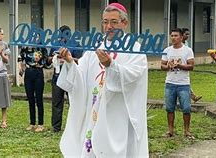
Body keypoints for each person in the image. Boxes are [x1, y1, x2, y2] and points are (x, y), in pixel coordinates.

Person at [57, 3, 148, 157]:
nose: (108, 26)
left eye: (113, 22)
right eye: (105, 22)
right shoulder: (96, 49)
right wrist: (70, 62)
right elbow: (81, 77)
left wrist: (110, 66)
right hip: (95, 111)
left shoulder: (135, 50)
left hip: (118, 113)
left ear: (124, 23)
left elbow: (133, 76)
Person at [161, 28, 195, 139]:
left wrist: (179, 66)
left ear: (181, 37)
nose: (173, 38)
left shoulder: (187, 50)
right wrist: (168, 66)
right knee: (169, 108)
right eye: (172, 36)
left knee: (186, 108)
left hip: (183, 84)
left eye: (176, 36)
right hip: (170, 83)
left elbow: (191, 66)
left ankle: (187, 130)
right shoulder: (167, 50)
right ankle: (170, 130)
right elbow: (162, 66)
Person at [49, 25, 83, 133]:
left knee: (73, 102)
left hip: (71, 76)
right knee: (57, 102)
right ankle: (56, 126)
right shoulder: (55, 45)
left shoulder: (75, 45)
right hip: (57, 76)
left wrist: (68, 58)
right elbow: (48, 59)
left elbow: (80, 61)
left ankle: (73, 125)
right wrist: (56, 57)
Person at [18, 38, 50, 132]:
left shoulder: (41, 47)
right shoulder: (25, 47)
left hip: (38, 72)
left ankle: (40, 124)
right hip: (28, 72)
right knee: (30, 98)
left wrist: (40, 61)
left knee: (39, 99)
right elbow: (20, 58)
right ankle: (32, 123)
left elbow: (46, 60)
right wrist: (21, 68)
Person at [181, 27, 202, 103]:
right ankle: (192, 97)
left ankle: (193, 97)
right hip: (179, 66)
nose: (188, 36)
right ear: (182, 35)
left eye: (188, 34)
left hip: (186, 66)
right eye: (186, 34)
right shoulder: (178, 44)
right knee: (184, 83)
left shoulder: (186, 44)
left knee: (185, 82)